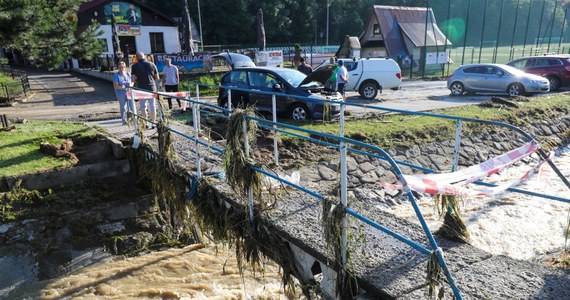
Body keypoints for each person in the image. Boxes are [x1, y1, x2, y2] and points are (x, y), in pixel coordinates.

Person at [131, 51, 159, 129]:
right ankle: (153, 123)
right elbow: (157, 77)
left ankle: (146, 123)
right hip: (152, 88)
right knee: (152, 106)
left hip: (141, 88)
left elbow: (133, 79)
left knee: (143, 107)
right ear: (144, 56)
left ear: (136, 57)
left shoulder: (134, 66)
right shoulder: (152, 64)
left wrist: (137, 80)